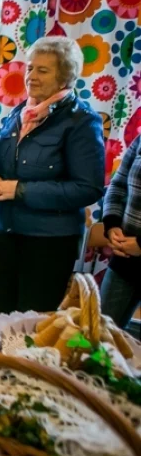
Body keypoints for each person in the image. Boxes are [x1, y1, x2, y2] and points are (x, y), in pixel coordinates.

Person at [0, 36, 105, 315]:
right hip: (8, 234)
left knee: (33, 324)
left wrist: (20, 190)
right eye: (29, 68)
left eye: (42, 70)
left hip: (49, 243)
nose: (31, 76)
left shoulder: (82, 121)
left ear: (64, 76)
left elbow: (88, 188)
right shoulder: (20, 112)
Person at [101, 135, 141, 328]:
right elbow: (118, 185)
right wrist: (112, 225)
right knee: (99, 337)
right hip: (125, 257)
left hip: (135, 249)